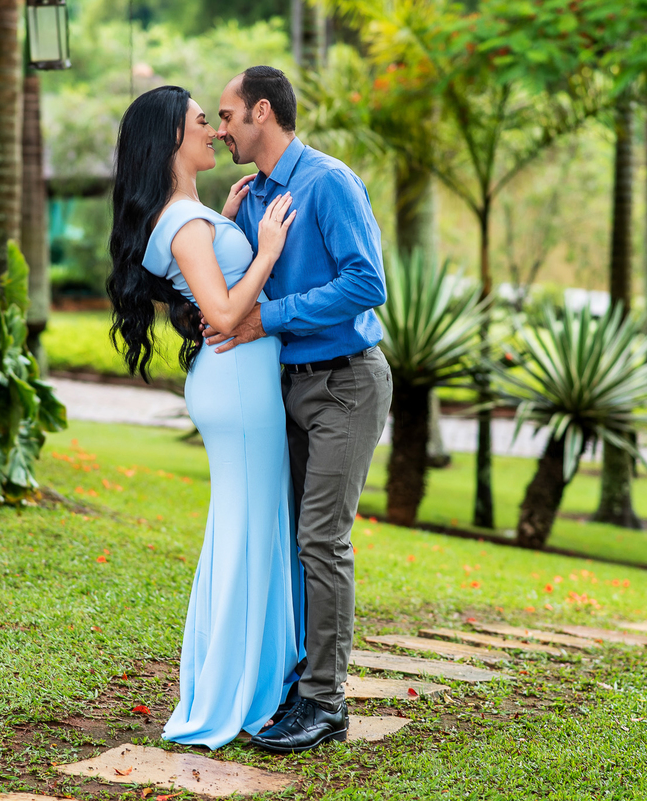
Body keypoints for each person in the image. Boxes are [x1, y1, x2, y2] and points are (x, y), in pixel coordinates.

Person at [106, 85, 305, 750]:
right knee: (247, 534)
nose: (215, 132)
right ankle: (229, 695)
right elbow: (221, 314)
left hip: (236, 387)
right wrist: (268, 248)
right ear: (171, 142)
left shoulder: (187, 215)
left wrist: (223, 220)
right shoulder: (184, 223)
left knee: (247, 531)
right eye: (202, 122)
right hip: (241, 389)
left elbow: (203, 278)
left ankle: (247, 685)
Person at [208, 66, 392, 754]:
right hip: (289, 388)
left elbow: (367, 281)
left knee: (322, 538)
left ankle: (325, 702)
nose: (221, 128)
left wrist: (273, 316)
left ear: (262, 112)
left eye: (227, 116)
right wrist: (227, 225)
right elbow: (239, 287)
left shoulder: (328, 182)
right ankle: (297, 682)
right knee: (289, 538)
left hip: (347, 382)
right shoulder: (253, 196)